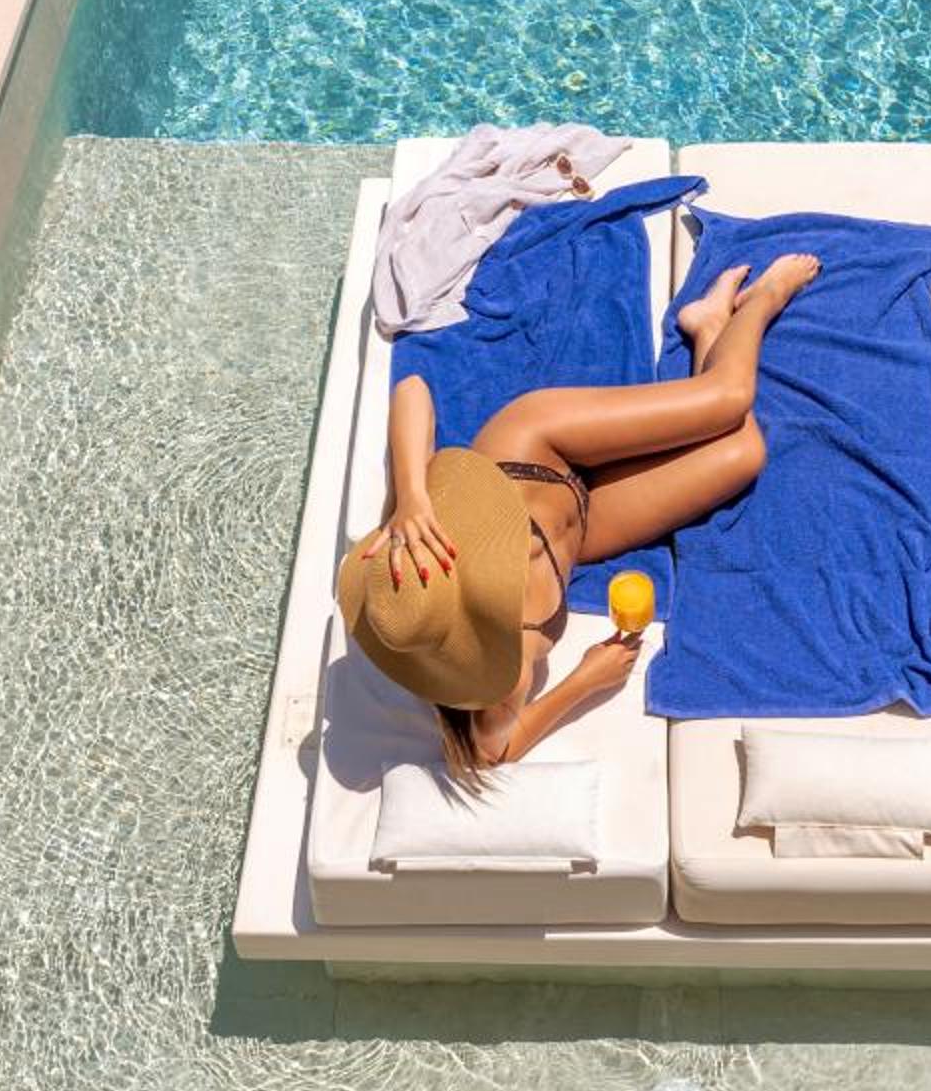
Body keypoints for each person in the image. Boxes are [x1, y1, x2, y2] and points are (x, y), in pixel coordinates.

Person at [336, 253, 819, 785]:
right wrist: (584, 681)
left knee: (728, 399)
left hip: (537, 447)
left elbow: (412, 390)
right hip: (577, 528)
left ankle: (765, 298)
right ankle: (708, 326)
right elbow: (490, 751)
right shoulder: (492, 675)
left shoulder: (417, 542)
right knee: (743, 452)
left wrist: (410, 496)